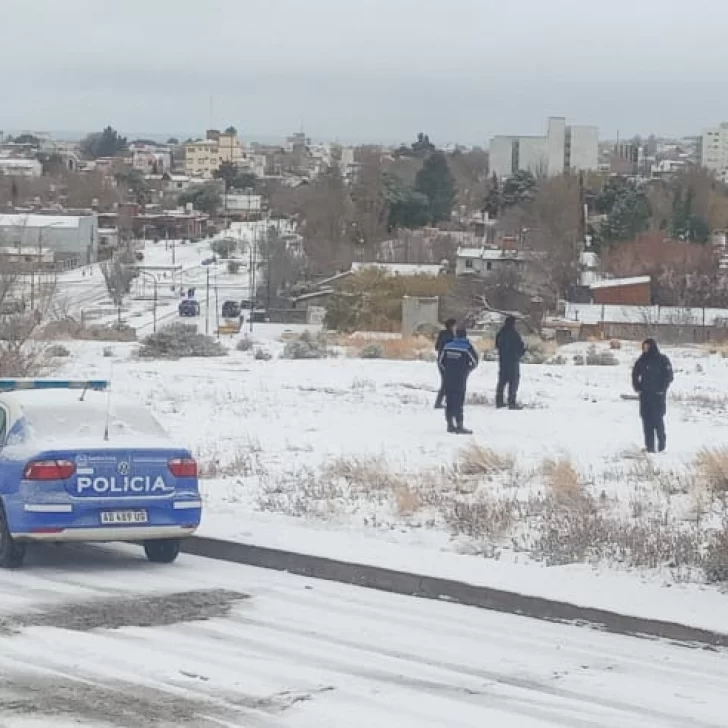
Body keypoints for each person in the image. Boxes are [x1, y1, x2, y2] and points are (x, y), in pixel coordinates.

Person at [632, 338, 673, 453]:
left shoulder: (662, 359)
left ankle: (661, 445)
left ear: (652, 347)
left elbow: (669, 376)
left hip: (658, 396)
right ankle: (649, 447)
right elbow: (635, 373)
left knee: (657, 420)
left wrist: (662, 389)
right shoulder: (642, 360)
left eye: (647, 347)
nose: (645, 349)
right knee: (646, 421)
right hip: (645, 395)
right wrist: (637, 387)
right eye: (644, 347)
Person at [438, 328, 479, 434]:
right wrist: (467, 371)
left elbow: (441, 362)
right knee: (458, 401)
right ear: (465, 336)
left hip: (448, 377)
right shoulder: (467, 347)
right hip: (460, 378)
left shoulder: (447, 346)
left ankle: (450, 424)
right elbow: (475, 362)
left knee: (449, 400)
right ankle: (459, 425)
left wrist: (447, 370)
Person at [495, 315, 526, 410]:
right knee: (513, 381)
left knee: (502, 381)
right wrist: (521, 352)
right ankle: (511, 402)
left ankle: (499, 401)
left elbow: (497, 345)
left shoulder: (500, 333)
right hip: (513, 361)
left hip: (503, 360)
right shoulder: (514, 334)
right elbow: (520, 346)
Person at [434, 318, 457, 409]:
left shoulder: (442, 334)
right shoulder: (450, 336)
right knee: (446, 383)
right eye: (455, 325)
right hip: (446, 362)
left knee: (447, 382)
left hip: (441, 360)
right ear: (452, 326)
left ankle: (446, 401)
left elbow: (436, 347)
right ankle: (439, 403)